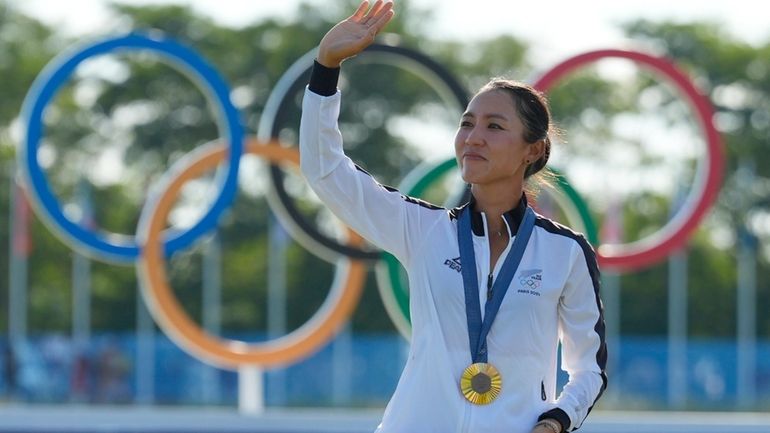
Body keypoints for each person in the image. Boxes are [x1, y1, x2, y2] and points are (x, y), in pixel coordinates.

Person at [299, 1, 607, 432]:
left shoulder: (566, 252)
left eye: (494, 127)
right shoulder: (422, 229)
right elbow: (325, 170)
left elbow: (588, 369)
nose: (473, 138)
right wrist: (326, 70)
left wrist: (555, 421)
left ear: (532, 150)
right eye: (467, 123)